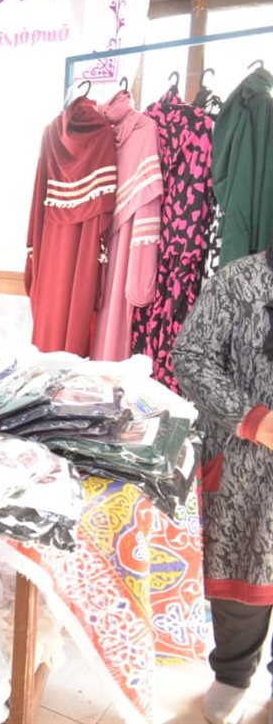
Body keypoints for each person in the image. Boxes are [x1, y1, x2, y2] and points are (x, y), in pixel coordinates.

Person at [172, 244, 273, 724]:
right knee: (239, 567)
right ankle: (232, 673)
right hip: (241, 459)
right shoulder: (237, 280)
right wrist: (253, 419)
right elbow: (191, 356)